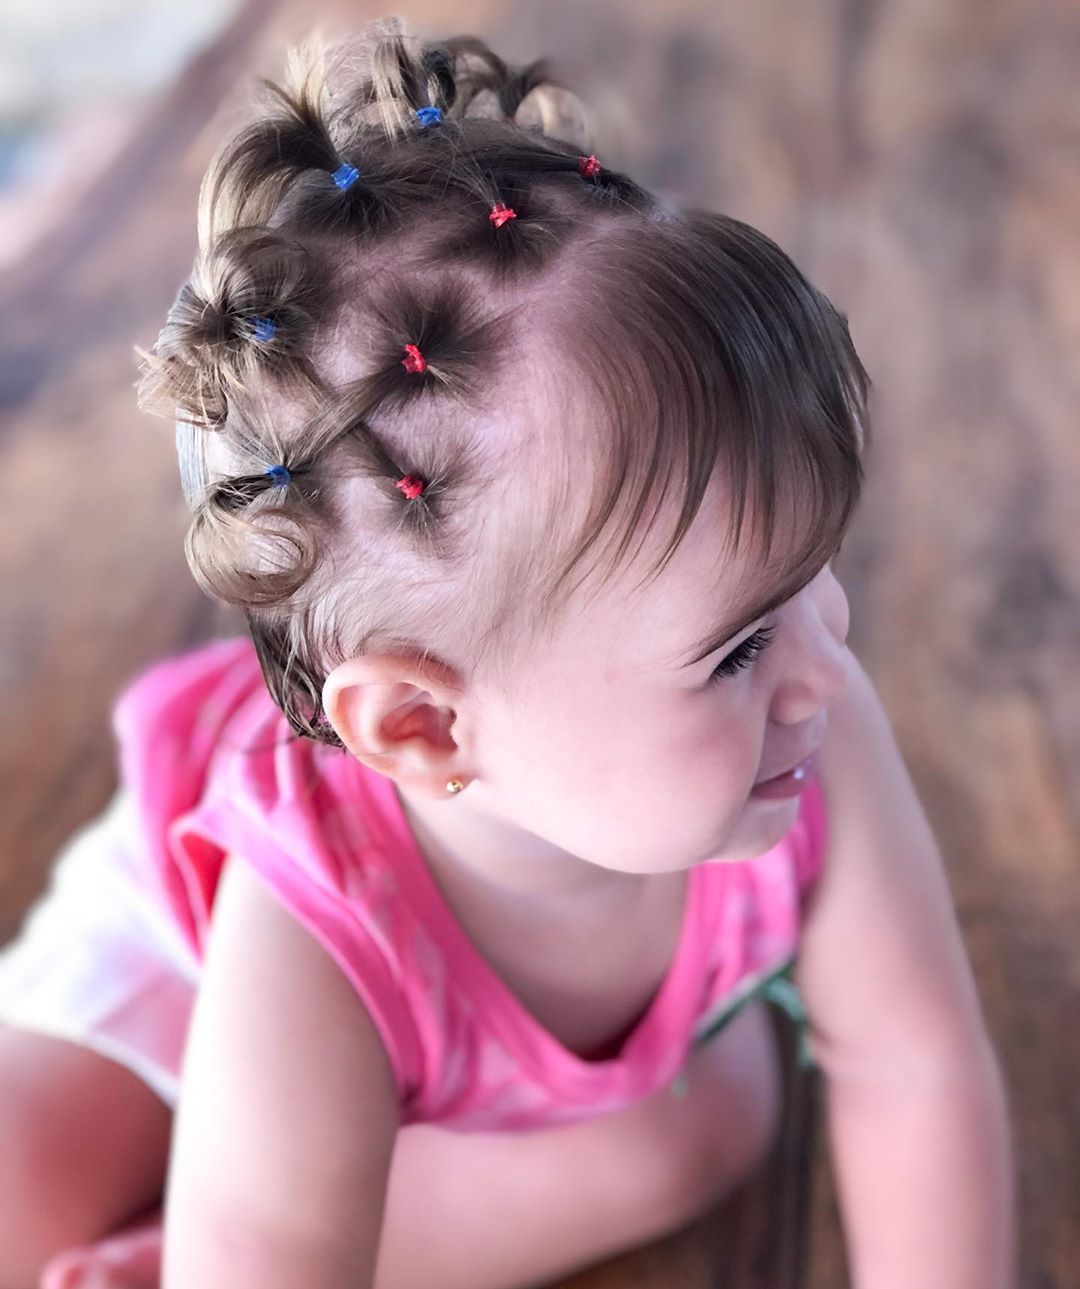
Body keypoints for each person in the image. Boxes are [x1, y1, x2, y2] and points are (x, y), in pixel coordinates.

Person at [0, 16, 1015, 1289]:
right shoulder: (305, 926)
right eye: (741, 643)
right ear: (426, 727)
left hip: (470, 1079)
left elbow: (912, 1062)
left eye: (811, 571)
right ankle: (243, 1192)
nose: (828, 658)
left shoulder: (802, 728)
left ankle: (236, 1217)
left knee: (711, 1123)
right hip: (182, 947)